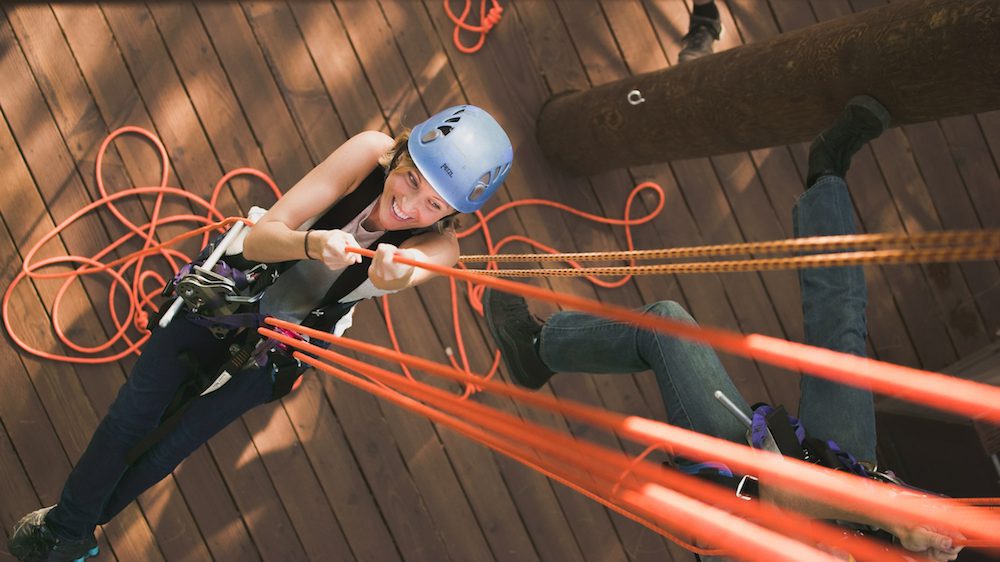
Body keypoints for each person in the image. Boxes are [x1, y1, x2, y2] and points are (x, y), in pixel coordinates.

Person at [8, 105, 513, 562]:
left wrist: (392, 271)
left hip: (282, 346)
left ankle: (70, 530)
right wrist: (312, 244)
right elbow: (264, 239)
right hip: (230, 284)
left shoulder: (442, 250)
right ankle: (69, 527)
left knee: (171, 442)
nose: (409, 207)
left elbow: (401, 273)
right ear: (400, 154)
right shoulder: (368, 152)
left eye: (433, 206)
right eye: (410, 179)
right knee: (131, 416)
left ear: (451, 217)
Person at [483, 97, 963, 561]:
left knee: (665, 326)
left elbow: (781, 495)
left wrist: (892, 517)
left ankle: (534, 349)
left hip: (756, 512)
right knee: (840, 330)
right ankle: (827, 173)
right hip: (857, 503)